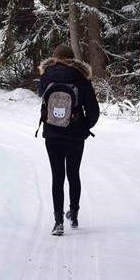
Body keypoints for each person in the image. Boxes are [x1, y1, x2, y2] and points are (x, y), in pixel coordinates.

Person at [37, 45, 99, 236]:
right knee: (73, 174)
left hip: (52, 134)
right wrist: (83, 126)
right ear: (73, 59)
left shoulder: (47, 76)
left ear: (55, 58)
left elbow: (43, 101)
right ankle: (74, 214)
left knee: (57, 176)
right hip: (75, 135)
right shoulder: (81, 77)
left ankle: (58, 222)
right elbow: (94, 112)